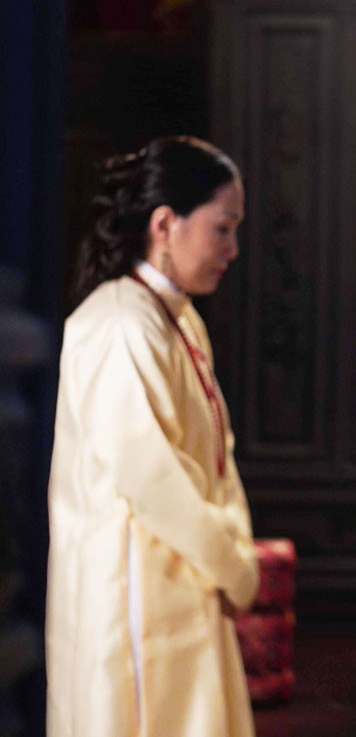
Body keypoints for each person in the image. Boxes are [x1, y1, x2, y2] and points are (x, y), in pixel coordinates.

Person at [46, 136, 259, 737]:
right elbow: (150, 478)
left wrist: (233, 552)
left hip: (184, 581)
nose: (232, 249)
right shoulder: (120, 322)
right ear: (166, 224)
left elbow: (216, 455)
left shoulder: (176, 318)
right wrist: (232, 563)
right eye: (222, 228)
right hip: (135, 595)